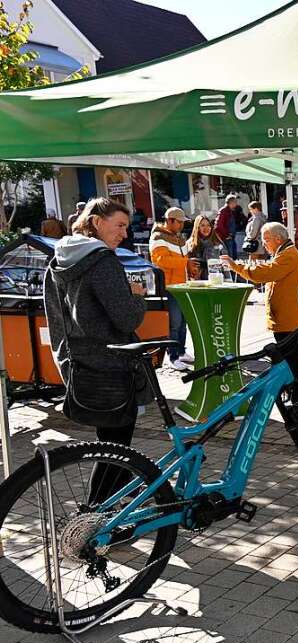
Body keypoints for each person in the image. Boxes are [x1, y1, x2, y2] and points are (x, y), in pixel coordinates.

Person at [43, 197, 147, 498]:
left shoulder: (61, 258)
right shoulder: (102, 261)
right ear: (96, 222)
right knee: (115, 448)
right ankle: (93, 516)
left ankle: (126, 494)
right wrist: (137, 296)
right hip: (112, 364)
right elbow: (126, 318)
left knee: (109, 441)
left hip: (80, 363)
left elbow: (55, 316)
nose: (124, 233)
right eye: (120, 225)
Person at [222, 222, 298, 376]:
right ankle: (297, 391)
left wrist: (236, 267)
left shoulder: (288, 255)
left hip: (289, 318)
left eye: (266, 239)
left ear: (278, 239)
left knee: (292, 360)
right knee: (291, 358)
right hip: (287, 317)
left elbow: (265, 273)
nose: (263, 244)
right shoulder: (285, 253)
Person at [149, 207, 193, 370]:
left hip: (182, 285)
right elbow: (161, 261)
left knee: (182, 323)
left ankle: (181, 352)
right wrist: (185, 262)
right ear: (170, 221)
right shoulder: (158, 237)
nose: (182, 225)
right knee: (174, 324)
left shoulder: (178, 237)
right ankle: (173, 356)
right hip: (169, 287)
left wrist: (190, 267)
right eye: (179, 222)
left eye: (183, 222)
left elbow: (181, 259)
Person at [184, 214, 222, 280]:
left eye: (208, 225)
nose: (206, 228)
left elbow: (226, 263)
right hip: (196, 282)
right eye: (202, 225)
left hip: (215, 280)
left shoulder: (217, 243)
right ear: (197, 227)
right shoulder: (189, 244)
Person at [215, 194, 243, 259]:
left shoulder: (231, 211)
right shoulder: (223, 211)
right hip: (226, 239)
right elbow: (218, 225)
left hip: (231, 238)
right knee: (229, 258)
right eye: (235, 202)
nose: (236, 204)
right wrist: (226, 235)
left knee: (234, 257)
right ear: (231, 202)